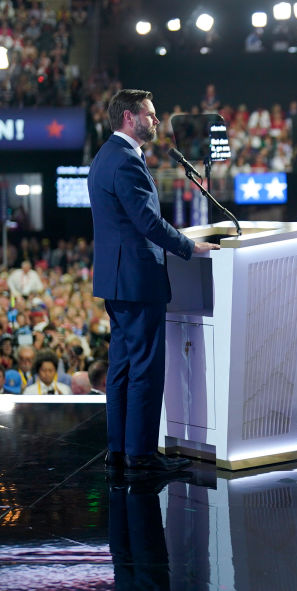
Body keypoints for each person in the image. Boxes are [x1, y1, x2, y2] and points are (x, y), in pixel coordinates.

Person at [88, 88, 219, 476]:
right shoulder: (126, 160)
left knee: (123, 368)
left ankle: (120, 451)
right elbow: (146, 222)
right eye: (151, 114)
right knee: (144, 368)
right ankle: (142, 455)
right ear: (130, 118)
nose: (157, 121)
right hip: (138, 278)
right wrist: (188, 247)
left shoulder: (105, 155)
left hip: (117, 279)